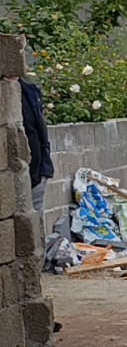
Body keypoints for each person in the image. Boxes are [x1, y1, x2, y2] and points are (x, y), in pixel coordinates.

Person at [17, 75, 51, 233]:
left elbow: (39, 131)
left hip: (37, 171)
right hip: (18, 174)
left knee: (35, 230)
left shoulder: (30, 92)